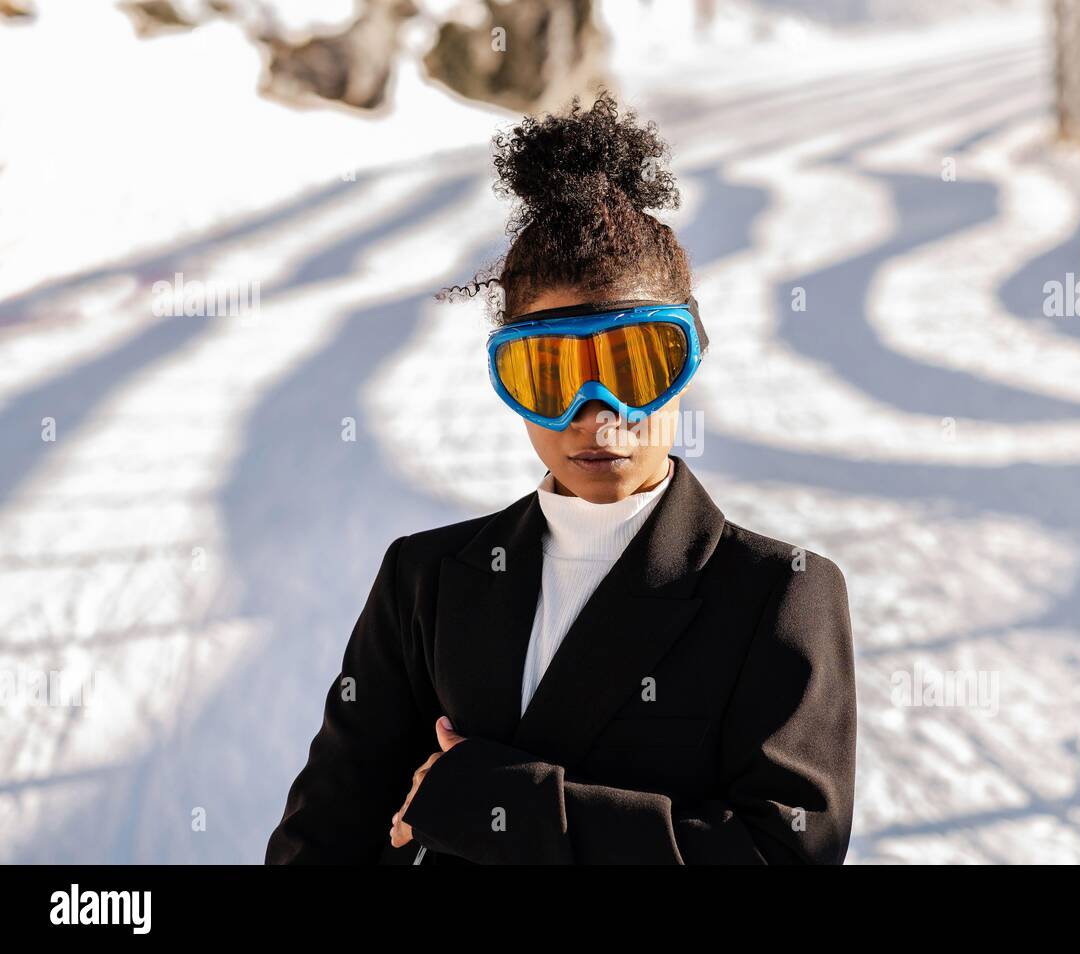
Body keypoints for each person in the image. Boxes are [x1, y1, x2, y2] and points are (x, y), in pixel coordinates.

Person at [264, 90, 857, 865]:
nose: (596, 412)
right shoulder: (427, 579)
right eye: (549, 375)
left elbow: (785, 853)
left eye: (636, 364)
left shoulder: (779, 594)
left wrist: (504, 802)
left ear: (688, 363)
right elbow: (326, 835)